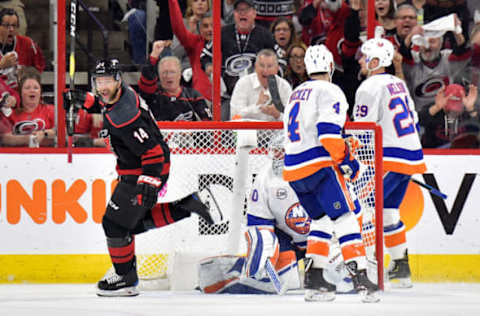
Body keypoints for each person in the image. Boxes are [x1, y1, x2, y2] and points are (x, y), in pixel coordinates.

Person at [63, 58, 216, 297]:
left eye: (106, 81)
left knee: (114, 225)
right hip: (141, 168)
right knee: (130, 223)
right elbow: (106, 104)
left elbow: (152, 152)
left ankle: (125, 277)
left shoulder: (125, 115)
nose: (102, 87)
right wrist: (86, 100)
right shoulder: (120, 94)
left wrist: (149, 182)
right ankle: (186, 206)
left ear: (118, 80)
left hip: (145, 170)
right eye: (98, 82)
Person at [198, 133, 354, 294]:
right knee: (285, 281)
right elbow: (259, 224)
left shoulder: (326, 173)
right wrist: (262, 255)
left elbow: (345, 220)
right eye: (276, 152)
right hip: (287, 240)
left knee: (340, 281)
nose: (278, 157)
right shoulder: (265, 177)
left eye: (282, 152)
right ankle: (243, 270)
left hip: (322, 239)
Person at [283, 44, 380, 302]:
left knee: (321, 220)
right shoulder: (331, 89)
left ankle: (315, 280)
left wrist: (342, 140)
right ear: (329, 67)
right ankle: (361, 277)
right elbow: (327, 133)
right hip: (319, 168)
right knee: (346, 217)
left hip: (293, 170)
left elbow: (308, 132)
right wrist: (347, 158)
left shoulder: (296, 92)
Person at [353, 38, 427, 288]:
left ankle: (368, 268)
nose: (361, 60)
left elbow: (363, 130)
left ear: (375, 62)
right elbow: (414, 118)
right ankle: (400, 268)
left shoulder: (368, 87)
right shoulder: (398, 83)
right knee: (387, 211)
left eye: (364, 57)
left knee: (364, 209)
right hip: (410, 155)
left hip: (389, 157)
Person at [221, 0, 276, 99]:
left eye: (246, 10)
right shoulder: (223, 33)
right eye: (239, 10)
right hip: (227, 95)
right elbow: (205, 56)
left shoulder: (265, 35)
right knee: (225, 114)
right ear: (234, 14)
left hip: (258, 94)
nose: (242, 13)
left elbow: (280, 61)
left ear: (254, 14)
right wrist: (210, 68)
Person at [139, 51, 212, 121]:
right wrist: (153, 56)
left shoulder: (193, 95)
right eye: (164, 72)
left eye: (172, 72)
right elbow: (146, 79)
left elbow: (207, 124)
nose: (168, 76)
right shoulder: (153, 94)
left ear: (180, 74)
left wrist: (190, 132)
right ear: (159, 75)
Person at [168, 0, 214, 101]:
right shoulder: (196, 42)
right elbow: (178, 29)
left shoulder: (225, 39)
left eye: (213, 25)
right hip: (202, 98)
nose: (210, 29)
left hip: (224, 96)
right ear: (200, 29)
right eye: (205, 26)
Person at [230, 49, 292, 121]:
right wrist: (256, 107)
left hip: (275, 131)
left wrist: (277, 115)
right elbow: (234, 117)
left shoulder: (284, 86)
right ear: (255, 67)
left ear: (277, 69)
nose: (265, 70)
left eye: (269, 66)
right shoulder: (243, 83)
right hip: (248, 131)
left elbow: (291, 119)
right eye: (262, 66)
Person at [1, 67, 54, 147]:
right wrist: (29, 139)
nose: (32, 90)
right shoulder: (9, 113)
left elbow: (62, 132)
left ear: (40, 91)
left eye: (36, 88)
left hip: (47, 156)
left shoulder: (51, 110)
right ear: (20, 92)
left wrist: (44, 133)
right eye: (27, 88)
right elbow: (5, 138)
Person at [419, 83, 479, 148]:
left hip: (464, 154)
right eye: (449, 109)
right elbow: (417, 121)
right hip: (434, 153)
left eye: (456, 108)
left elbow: (477, 127)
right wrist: (436, 108)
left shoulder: (469, 111)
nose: (453, 112)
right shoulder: (433, 109)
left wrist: (471, 109)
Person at [0, 8, 45, 89]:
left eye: (14, 25)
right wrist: (1, 66)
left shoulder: (27, 44)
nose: (11, 29)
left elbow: (38, 70)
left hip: (22, 96)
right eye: (7, 25)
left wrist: (27, 73)